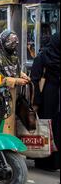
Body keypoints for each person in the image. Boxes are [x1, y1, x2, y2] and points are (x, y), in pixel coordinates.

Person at [0, 30, 31, 135]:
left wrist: (21, 74)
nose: (13, 47)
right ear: (3, 42)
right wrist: (15, 80)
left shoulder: (11, 53)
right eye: (10, 44)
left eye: (15, 44)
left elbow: (12, 67)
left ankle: (10, 147)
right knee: (2, 125)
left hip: (11, 94)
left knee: (10, 122)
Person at [31, 32, 60, 171]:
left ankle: (48, 162)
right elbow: (35, 79)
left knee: (49, 128)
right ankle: (52, 162)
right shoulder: (45, 55)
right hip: (52, 97)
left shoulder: (44, 55)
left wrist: (37, 101)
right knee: (52, 127)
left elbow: (35, 79)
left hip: (49, 96)